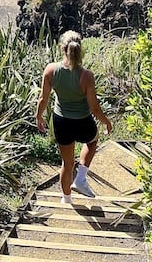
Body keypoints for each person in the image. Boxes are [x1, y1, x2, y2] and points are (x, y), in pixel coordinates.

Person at [36, 30, 113, 204]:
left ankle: (66, 199)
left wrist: (39, 116)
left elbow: (43, 98)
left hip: (61, 121)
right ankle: (80, 178)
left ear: (62, 48)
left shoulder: (50, 70)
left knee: (67, 163)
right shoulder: (86, 76)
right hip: (82, 121)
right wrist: (106, 122)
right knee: (92, 141)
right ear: (80, 50)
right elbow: (94, 107)